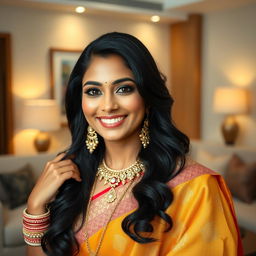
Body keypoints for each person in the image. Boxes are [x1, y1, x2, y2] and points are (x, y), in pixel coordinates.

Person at [24, 32, 243, 256]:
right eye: (93, 91)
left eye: (124, 89)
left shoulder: (197, 189)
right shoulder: (70, 176)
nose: (108, 105)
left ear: (147, 98)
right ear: (81, 102)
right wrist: (35, 207)